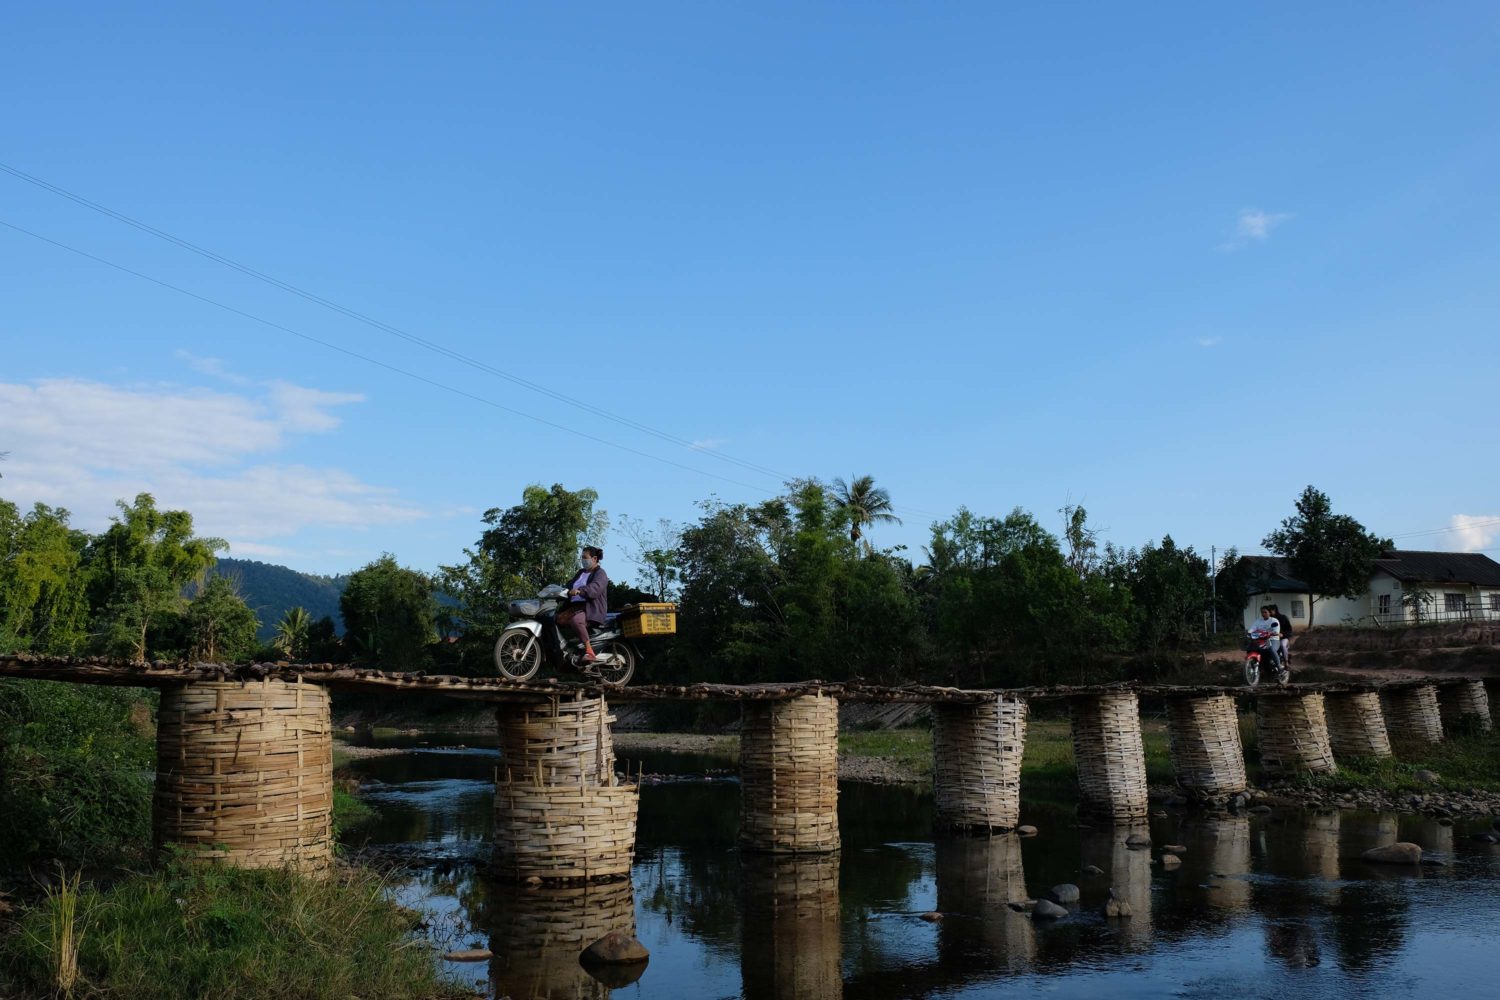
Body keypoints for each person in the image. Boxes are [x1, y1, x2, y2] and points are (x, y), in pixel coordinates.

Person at [557, 546, 609, 664]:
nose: (582, 560)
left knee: (576, 620)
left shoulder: (600, 573)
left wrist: (580, 590)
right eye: (582, 557)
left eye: (585, 557)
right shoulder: (580, 572)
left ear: (594, 558)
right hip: (575, 607)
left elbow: (595, 588)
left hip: (590, 609)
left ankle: (589, 651)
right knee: (556, 620)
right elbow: (569, 585)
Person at [1250, 605, 1283, 675]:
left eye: (1265, 612)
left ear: (1269, 613)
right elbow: (1253, 627)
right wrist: (1249, 632)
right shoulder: (1258, 621)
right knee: (1251, 648)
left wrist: (1273, 633)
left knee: (1271, 649)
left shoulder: (1274, 620)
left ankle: (1278, 665)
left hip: (1273, 640)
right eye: (1262, 612)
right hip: (1261, 640)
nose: (1263, 614)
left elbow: (1276, 630)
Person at [1271, 604, 1293, 668]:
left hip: (1283, 638)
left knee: (1282, 645)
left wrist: (1283, 634)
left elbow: (1289, 630)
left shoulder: (1283, 617)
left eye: (1270, 611)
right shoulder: (1269, 620)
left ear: (1274, 610)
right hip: (1272, 638)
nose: (1269, 613)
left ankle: (1286, 662)